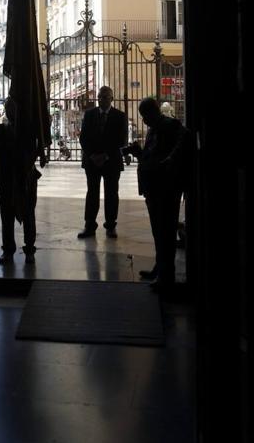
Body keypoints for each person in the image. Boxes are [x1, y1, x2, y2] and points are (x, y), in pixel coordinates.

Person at [127, 96, 191, 292]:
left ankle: (167, 277)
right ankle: (160, 268)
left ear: (153, 112)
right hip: (153, 187)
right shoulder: (153, 129)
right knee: (158, 231)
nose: (144, 121)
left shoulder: (171, 125)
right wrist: (138, 153)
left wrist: (170, 160)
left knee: (165, 232)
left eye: (145, 116)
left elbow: (183, 140)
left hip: (166, 188)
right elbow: (150, 156)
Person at [0, 96, 38, 265]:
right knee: (7, 215)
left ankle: (30, 249)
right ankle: (8, 250)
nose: (12, 111)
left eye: (15, 108)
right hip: (6, 177)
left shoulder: (28, 130)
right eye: (9, 108)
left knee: (28, 214)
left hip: (25, 176)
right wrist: (12, 147)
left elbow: (34, 150)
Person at [77, 86, 128, 239]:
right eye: (99, 96)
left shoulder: (120, 116)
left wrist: (105, 156)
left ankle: (111, 226)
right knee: (92, 193)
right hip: (92, 161)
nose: (101, 99)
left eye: (105, 97)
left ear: (111, 99)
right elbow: (83, 137)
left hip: (111, 161)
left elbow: (121, 140)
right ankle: (89, 226)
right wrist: (93, 155)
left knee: (111, 193)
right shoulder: (89, 114)